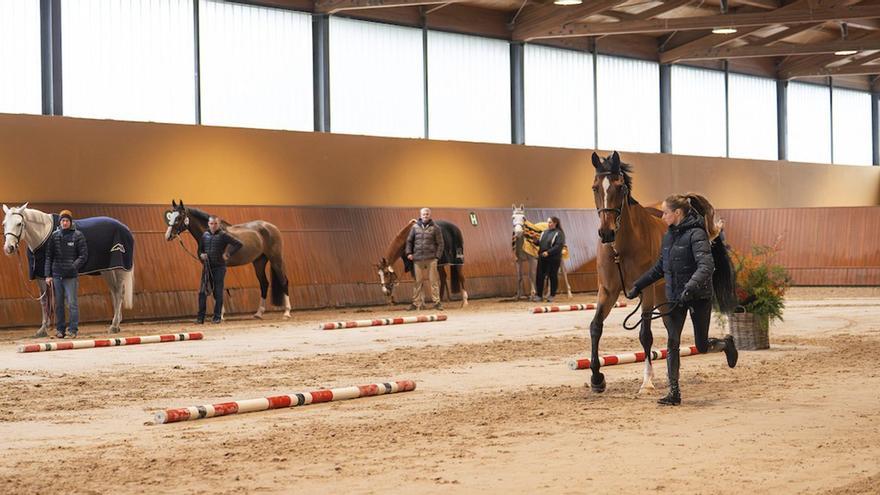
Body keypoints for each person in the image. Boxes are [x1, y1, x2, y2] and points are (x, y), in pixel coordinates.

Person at [626, 193, 738, 406]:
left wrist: (690, 287)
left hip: (698, 297)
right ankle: (674, 392)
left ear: (677, 213)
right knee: (672, 341)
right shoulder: (668, 236)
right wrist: (638, 285)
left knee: (702, 345)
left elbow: (707, 266)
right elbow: (661, 267)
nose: (662, 216)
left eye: (665, 212)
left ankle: (725, 343)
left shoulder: (697, 234)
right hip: (676, 296)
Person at [44, 210, 88, 339]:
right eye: (63, 220)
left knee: (72, 303)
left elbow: (83, 255)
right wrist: (48, 275)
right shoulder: (54, 236)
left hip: (71, 276)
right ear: (60, 222)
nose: (65, 222)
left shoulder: (78, 235)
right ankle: (60, 330)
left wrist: (73, 266)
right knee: (59, 304)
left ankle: (73, 330)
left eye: (67, 220)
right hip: (56, 275)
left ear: (70, 222)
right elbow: (48, 256)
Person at [197, 216, 242, 324]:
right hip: (207, 268)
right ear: (208, 224)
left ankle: (217, 317)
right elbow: (199, 250)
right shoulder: (205, 235)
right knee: (202, 292)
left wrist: (228, 254)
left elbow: (239, 244)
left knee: (218, 292)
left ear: (219, 224)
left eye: (215, 224)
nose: (213, 226)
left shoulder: (223, 235)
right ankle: (200, 318)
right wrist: (201, 255)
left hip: (219, 268)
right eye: (211, 223)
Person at [406, 207, 444, 311]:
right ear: (420, 215)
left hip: (431, 258)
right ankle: (415, 303)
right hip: (417, 258)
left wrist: (437, 257)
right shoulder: (414, 227)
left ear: (429, 215)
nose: (425, 215)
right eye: (423, 214)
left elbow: (440, 243)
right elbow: (409, 241)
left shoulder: (436, 228)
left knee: (434, 281)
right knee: (417, 282)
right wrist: (409, 253)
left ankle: (437, 302)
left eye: (427, 214)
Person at [534, 216, 565, 303]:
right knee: (539, 276)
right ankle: (539, 295)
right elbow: (540, 243)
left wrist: (548, 252)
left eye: (550, 222)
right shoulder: (544, 232)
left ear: (555, 223)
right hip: (542, 257)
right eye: (548, 222)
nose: (548, 224)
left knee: (552, 276)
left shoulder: (559, 234)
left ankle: (552, 295)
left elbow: (558, 246)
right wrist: (535, 241)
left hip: (553, 259)